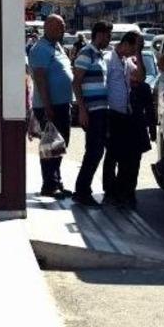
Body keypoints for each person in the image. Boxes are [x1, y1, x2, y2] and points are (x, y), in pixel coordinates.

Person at [29, 14, 74, 198]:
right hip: (50, 106)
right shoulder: (40, 48)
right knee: (51, 145)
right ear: (47, 27)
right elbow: (40, 79)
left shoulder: (57, 46)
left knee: (60, 144)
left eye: (63, 26)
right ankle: (49, 185)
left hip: (62, 103)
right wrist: (48, 106)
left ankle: (56, 181)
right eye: (59, 27)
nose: (62, 30)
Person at [71, 21, 112, 206]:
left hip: (102, 111)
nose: (109, 39)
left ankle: (83, 189)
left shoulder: (100, 55)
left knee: (97, 151)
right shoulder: (86, 54)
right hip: (92, 112)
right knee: (94, 152)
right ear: (100, 35)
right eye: (107, 35)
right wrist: (82, 110)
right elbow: (76, 82)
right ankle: (82, 191)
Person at [103, 31, 145, 205]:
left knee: (123, 154)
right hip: (111, 113)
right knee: (112, 154)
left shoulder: (127, 61)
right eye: (133, 48)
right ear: (126, 43)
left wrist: (139, 54)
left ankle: (120, 190)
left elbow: (141, 77)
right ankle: (109, 190)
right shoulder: (108, 59)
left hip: (125, 114)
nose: (133, 53)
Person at [122, 69, 158, 207]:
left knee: (134, 163)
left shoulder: (144, 88)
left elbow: (149, 108)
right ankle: (120, 192)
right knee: (123, 163)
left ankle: (130, 193)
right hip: (122, 127)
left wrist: (152, 129)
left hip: (137, 129)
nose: (134, 77)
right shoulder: (120, 86)